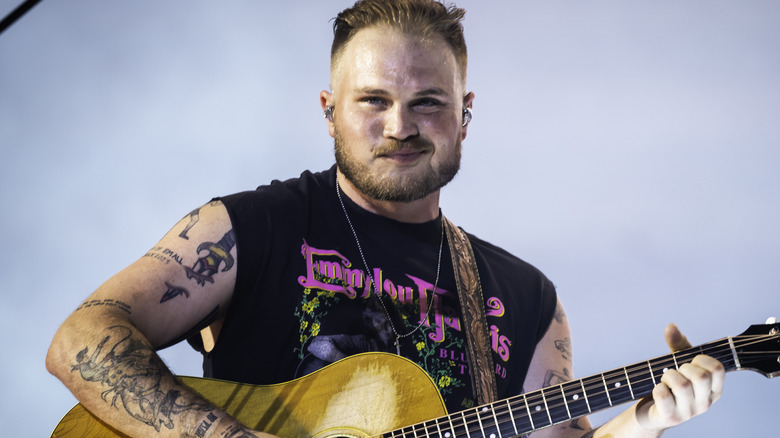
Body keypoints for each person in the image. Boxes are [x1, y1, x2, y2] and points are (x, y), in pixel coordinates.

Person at [46, 1, 726, 437]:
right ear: (328, 108)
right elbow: (82, 338)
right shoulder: (250, 229)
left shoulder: (527, 298)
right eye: (373, 99)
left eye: (428, 102)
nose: (400, 127)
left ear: (465, 113)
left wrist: (643, 422)